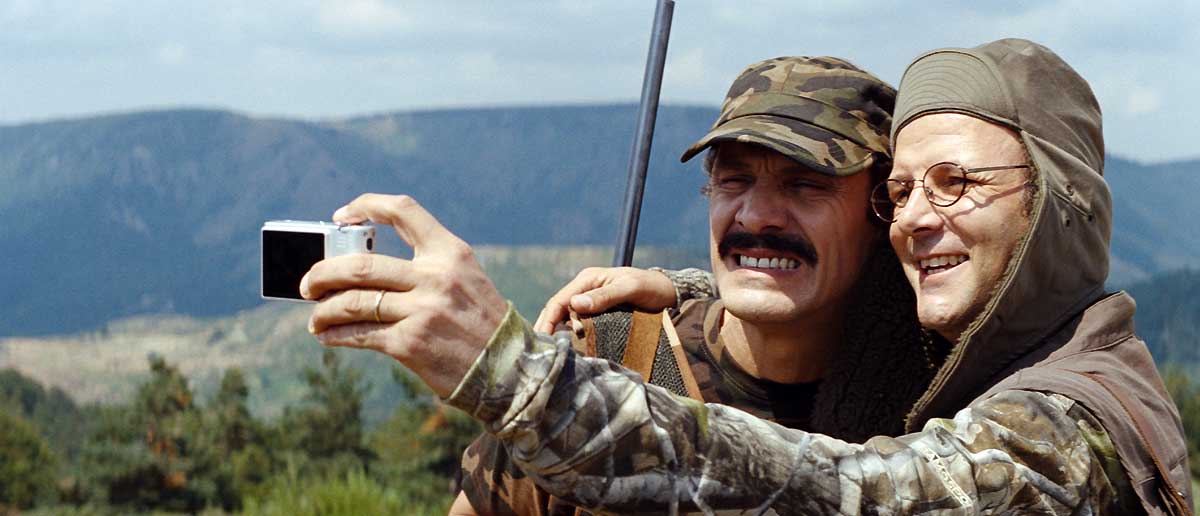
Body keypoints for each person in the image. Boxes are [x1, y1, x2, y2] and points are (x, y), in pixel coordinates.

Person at [300, 39, 1192, 514]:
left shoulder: (1054, 425)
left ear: (1057, 204)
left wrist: (509, 374)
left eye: (807, 184)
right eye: (732, 178)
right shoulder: (613, 344)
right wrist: (695, 293)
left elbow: (851, 496)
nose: (923, 215)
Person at [448, 56, 934, 516]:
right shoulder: (606, 362)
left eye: (804, 185)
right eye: (733, 180)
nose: (756, 216)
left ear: (883, 208)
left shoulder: (933, 406)